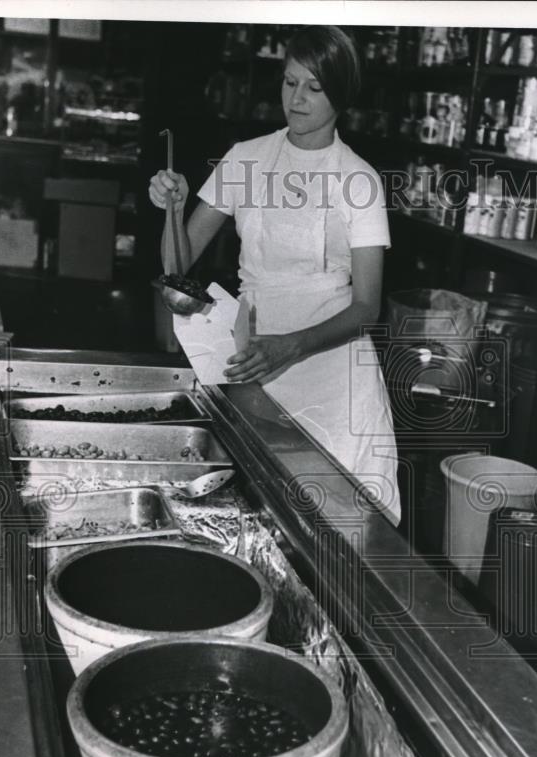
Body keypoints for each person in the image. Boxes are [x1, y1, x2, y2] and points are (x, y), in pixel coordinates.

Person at [149, 25, 401, 524]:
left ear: (342, 94)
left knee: (339, 523)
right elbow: (178, 266)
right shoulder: (247, 157)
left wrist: (291, 346)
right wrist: (173, 211)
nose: (297, 99)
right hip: (252, 356)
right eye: (290, 83)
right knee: (257, 512)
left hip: (332, 374)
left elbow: (366, 306)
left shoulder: (359, 180)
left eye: (314, 87)